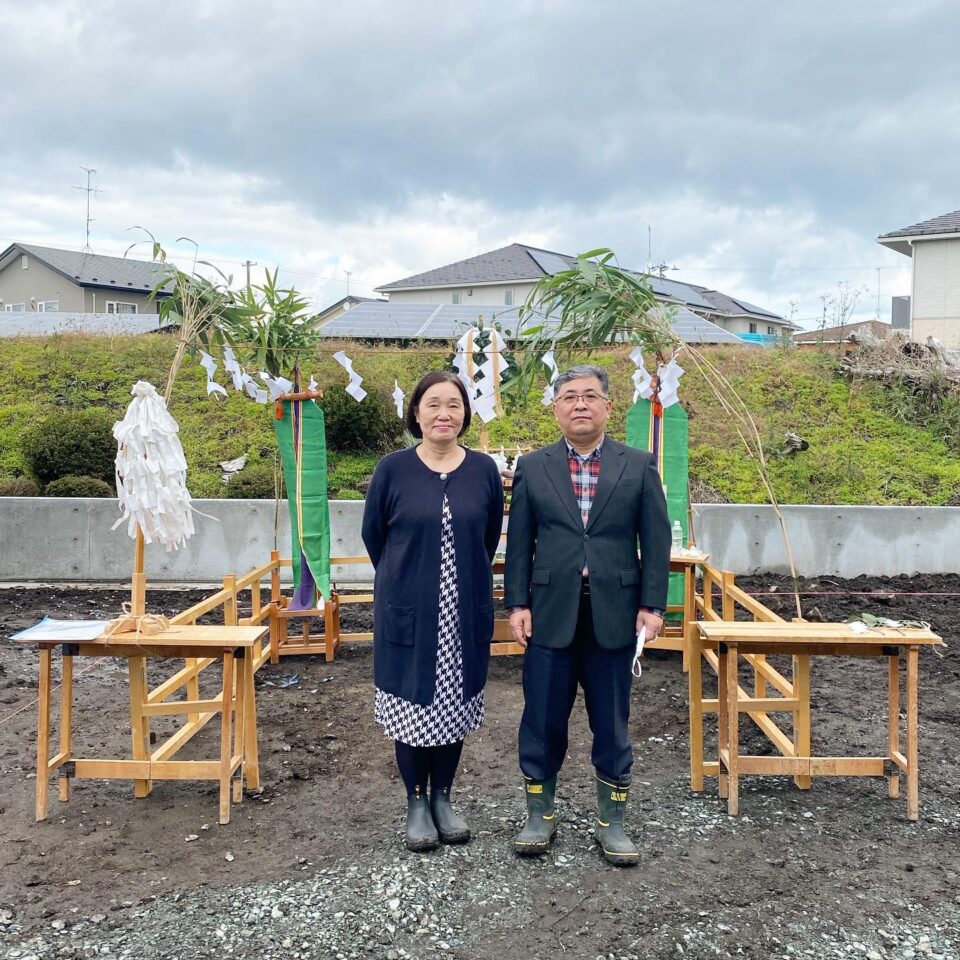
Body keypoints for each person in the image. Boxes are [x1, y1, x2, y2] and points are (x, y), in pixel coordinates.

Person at [504, 364, 671, 866]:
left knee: (612, 719)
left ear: (607, 406)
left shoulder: (638, 465)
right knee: (542, 717)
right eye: (570, 396)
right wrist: (517, 603)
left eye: (590, 396)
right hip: (550, 611)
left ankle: (611, 822)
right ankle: (540, 814)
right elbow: (519, 544)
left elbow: (656, 541)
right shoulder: (533, 467)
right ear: (556, 407)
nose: (580, 404)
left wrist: (653, 604)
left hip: (615, 613)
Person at [362, 371, 504, 852]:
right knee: (411, 709)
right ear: (417, 413)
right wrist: (408, 578)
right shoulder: (392, 469)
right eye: (433, 404)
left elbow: (488, 538)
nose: (445, 414)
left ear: (465, 413)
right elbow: (374, 537)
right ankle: (416, 801)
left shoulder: (483, 469)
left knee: (453, 709)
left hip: (462, 614)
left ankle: (444, 796)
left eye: (454, 405)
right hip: (408, 609)